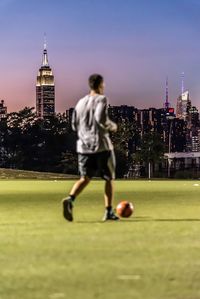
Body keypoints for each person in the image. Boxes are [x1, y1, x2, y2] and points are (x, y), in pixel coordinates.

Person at [62, 74, 119, 222]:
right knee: (109, 178)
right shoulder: (102, 99)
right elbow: (100, 118)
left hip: (83, 147)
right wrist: (112, 126)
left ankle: (70, 199)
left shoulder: (80, 102)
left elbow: (74, 124)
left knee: (85, 178)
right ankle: (108, 211)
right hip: (101, 145)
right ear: (100, 85)